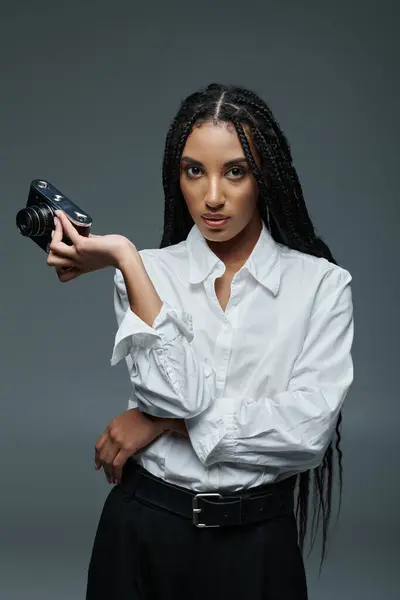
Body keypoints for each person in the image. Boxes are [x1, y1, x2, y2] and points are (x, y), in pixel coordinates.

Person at [47, 83, 354, 599]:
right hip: (143, 532)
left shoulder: (323, 286)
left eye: (236, 171)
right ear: (178, 176)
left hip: (259, 545)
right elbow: (182, 394)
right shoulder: (142, 275)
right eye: (195, 171)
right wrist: (124, 254)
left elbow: (306, 434)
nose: (213, 196)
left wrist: (159, 422)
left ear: (265, 177)